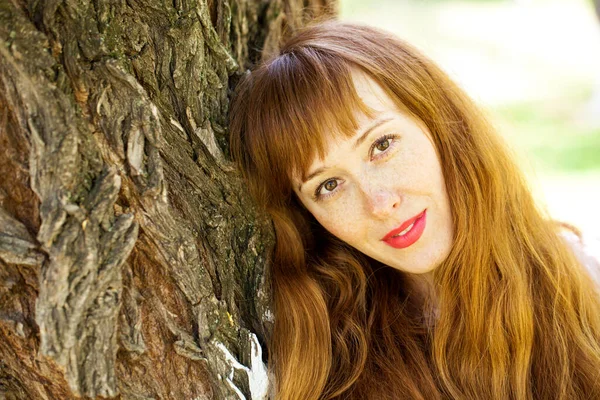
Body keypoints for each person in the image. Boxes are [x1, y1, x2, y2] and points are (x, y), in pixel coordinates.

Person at [228, 20, 600, 400]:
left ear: (436, 120)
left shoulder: (584, 286)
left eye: (382, 145)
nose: (380, 204)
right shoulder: (328, 363)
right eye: (329, 185)